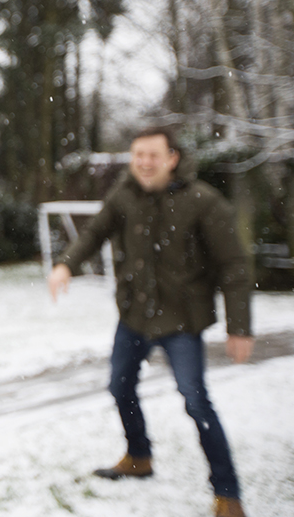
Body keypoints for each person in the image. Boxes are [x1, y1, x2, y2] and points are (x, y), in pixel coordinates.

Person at [47, 126, 254, 517]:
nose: (143, 162)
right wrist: (66, 264)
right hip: (134, 316)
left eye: (152, 155)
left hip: (182, 321)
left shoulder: (203, 202)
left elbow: (234, 267)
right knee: (119, 386)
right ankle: (139, 456)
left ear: (171, 158)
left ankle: (228, 494)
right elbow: (94, 232)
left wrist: (239, 326)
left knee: (196, 403)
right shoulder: (124, 195)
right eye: (137, 154)